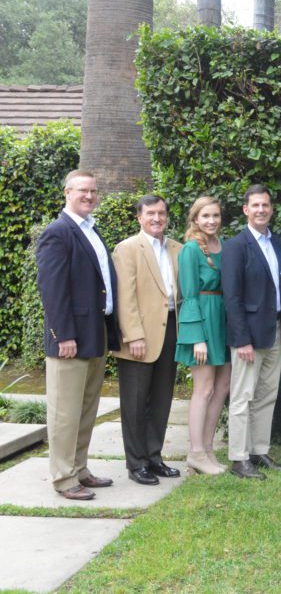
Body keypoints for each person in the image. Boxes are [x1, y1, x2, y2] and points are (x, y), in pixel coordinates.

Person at [37, 170, 120, 500]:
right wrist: (63, 336)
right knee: (64, 412)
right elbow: (53, 291)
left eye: (94, 190)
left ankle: (79, 467)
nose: (89, 195)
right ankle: (63, 476)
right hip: (70, 338)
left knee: (86, 408)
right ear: (67, 192)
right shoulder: (57, 232)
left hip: (94, 331)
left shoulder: (91, 230)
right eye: (82, 190)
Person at [110, 194, 183, 486]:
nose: (157, 219)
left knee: (162, 399)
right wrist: (134, 336)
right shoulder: (127, 249)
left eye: (162, 214)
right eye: (151, 214)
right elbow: (125, 297)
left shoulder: (177, 248)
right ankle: (136, 463)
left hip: (171, 330)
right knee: (136, 402)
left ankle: (154, 457)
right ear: (139, 217)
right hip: (139, 335)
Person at [221, 185, 281, 480]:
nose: (261, 210)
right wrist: (241, 339)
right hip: (248, 335)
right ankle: (238, 458)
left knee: (266, 395)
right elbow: (231, 297)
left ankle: (259, 451)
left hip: (275, 330)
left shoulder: (279, 244)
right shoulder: (236, 246)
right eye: (255, 205)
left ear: (271, 209)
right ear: (246, 210)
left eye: (266, 205)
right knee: (242, 397)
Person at [176, 196, 231, 475]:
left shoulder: (222, 246)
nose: (211, 221)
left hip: (222, 321)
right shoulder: (190, 250)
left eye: (216, 216)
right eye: (205, 216)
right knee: (204, 389)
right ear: (195, 219)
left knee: (222, 388)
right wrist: (197, 336)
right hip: (203, 323)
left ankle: (208, 449)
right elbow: (189, 295)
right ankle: (196, 452)